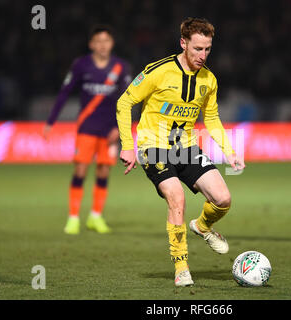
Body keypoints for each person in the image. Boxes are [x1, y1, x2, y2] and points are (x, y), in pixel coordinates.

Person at [116, 17, 245, 286]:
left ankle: (203, 227)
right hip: (153, 146)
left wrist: (229, 151)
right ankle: (181, 266)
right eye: (197, 48)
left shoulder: (209, 80)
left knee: (223, 199)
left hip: (185, 147)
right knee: (176, 197)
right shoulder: (158, 71)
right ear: (183, 43)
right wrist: (128, 144)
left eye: (208, 49)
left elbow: (211, 118)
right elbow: (124, 101)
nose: (203, 55)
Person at [44, 25, 131, 235]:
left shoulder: (122, 67)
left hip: (110, 130)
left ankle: (95, 217)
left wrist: (120, 129)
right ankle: (73, 218)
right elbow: (65, 92)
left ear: (112, 43)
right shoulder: (81, 65)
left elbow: (129, 101)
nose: (102, 45)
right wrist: (51, 121)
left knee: (103, 172)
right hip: (87, 127)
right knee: (80, 170)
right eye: (98, 41)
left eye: (106, 40)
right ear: (91, 44)